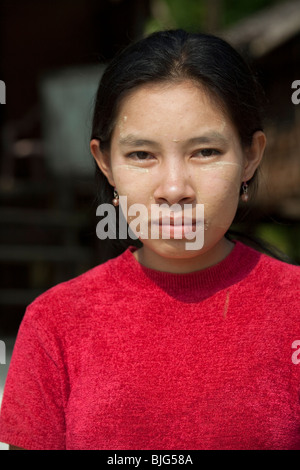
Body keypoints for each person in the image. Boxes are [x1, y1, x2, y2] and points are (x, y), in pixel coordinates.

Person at [0, 29, 299, 451]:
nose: (174, 188)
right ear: (105, 163)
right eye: (142, 155)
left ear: (251, 155)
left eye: (205, 152)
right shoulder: (55, 326)